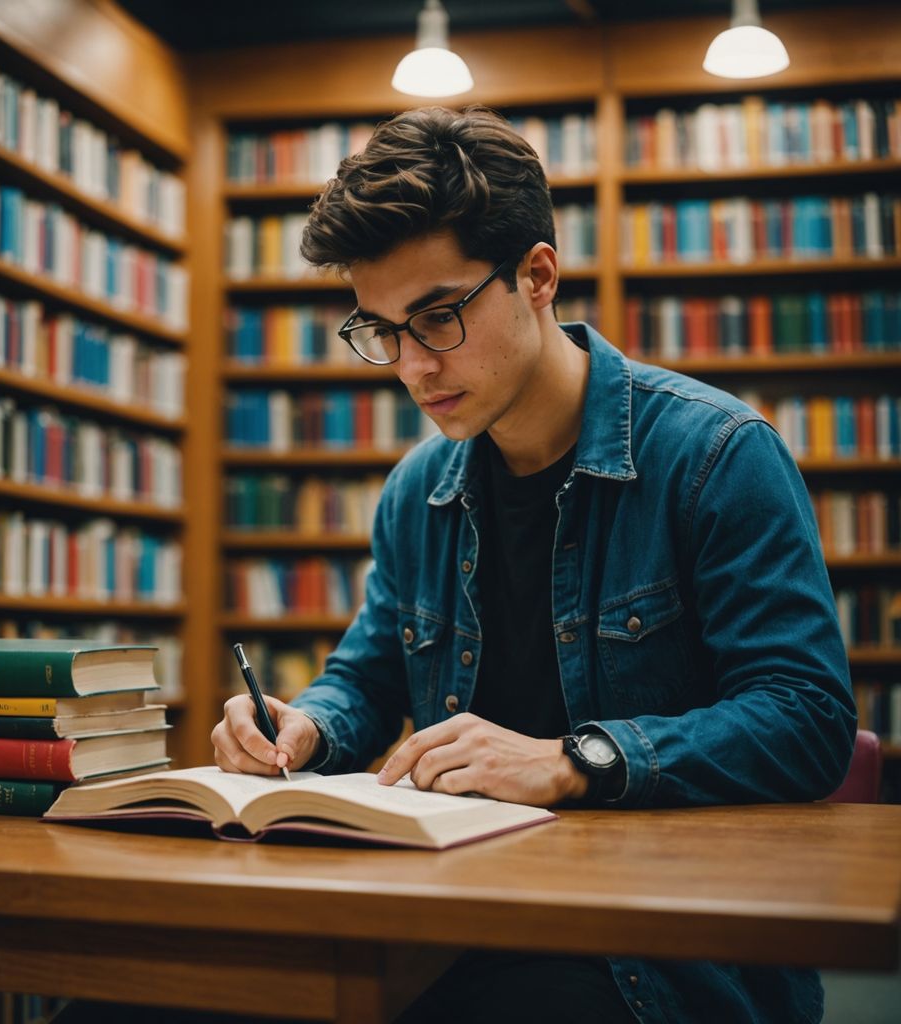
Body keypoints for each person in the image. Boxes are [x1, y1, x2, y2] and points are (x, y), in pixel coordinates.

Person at [211, 106, 857, 1024]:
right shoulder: (416, 490)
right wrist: (306, 724)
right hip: (439, 914)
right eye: (381, 330)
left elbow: (808, 717)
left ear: (538, 275)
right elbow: (372, 670)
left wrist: (574, 760)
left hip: (643, 949)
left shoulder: (716, 456)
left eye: (437, 317)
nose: (411, 367)